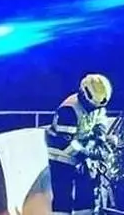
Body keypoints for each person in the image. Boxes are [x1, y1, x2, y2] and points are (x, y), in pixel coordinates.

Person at [45, 73, 113, 215]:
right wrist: (89, 154)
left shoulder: (95, 104)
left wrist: (100, 135)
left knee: (86, 195)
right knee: (63, 197)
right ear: (83, 94)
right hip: (60, 157)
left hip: (79, 155)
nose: (93, 109)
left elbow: (100, 118)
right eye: (92, 106)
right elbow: (66, 144)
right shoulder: (68, 110)